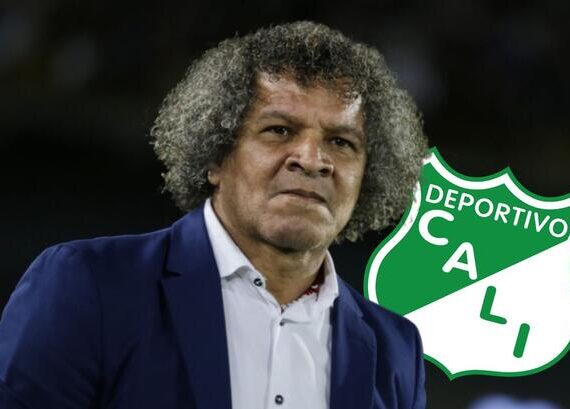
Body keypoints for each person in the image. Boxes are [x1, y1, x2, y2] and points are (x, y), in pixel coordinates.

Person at [0, 21, 428, 409]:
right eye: (279, 130)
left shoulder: (395, 351)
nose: (312, 159)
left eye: (341, 142)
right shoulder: (86, 286)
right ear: (215, 156)